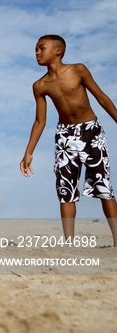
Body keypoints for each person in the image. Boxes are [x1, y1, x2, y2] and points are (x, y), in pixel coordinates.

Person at [20, 34, 117, 245]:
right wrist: (29, 152)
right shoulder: (40, 85)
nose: (36, 52)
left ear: (58, 51)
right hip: (65, 136)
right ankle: (70, 244)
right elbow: (39, 121)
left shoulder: (78, 70)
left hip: (91, 131)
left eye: (41, 48)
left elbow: (101, 97)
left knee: (103, 186)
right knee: (66, 189)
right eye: (35, 49)